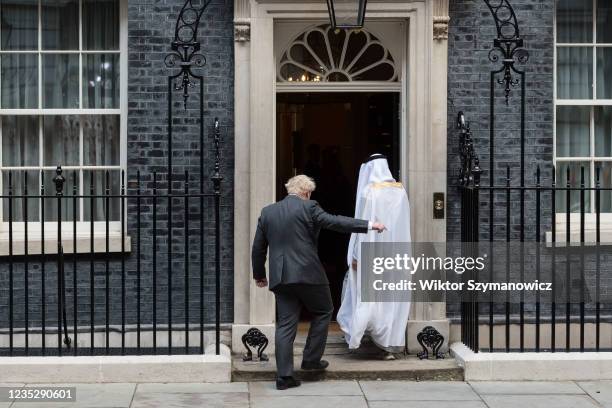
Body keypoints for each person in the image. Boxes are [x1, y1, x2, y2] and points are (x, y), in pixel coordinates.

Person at [251, 175, 386, 390]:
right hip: (308, 273)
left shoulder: (268, 212)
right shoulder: (309, 207)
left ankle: (284, 377)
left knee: (286, 323)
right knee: (324, 311)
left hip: (281, 276)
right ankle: (311, 360)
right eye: (310, 193)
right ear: (306, 192)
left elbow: (258, 248)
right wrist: (370, 225)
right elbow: (335, 222)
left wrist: (259, 274)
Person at [337, 154, 411, 360]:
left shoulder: (370, 193)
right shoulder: (401, 191)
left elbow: (363, 226)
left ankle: (362, 332)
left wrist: (356, 255)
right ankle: (389, 344)